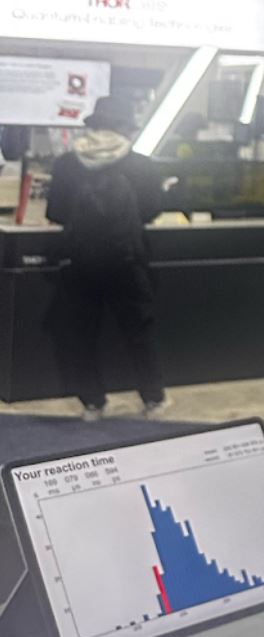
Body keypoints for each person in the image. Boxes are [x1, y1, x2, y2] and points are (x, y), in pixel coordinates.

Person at [45, 95, 167, 421]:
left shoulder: (67, 164)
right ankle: (153, 399)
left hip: (80, 262)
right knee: (138, 331)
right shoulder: (143, 165)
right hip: (127, 260)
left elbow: (55, 212)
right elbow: (152, 211)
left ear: (93, 125)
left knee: (82, 334)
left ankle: (93, 404)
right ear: (127, 127)